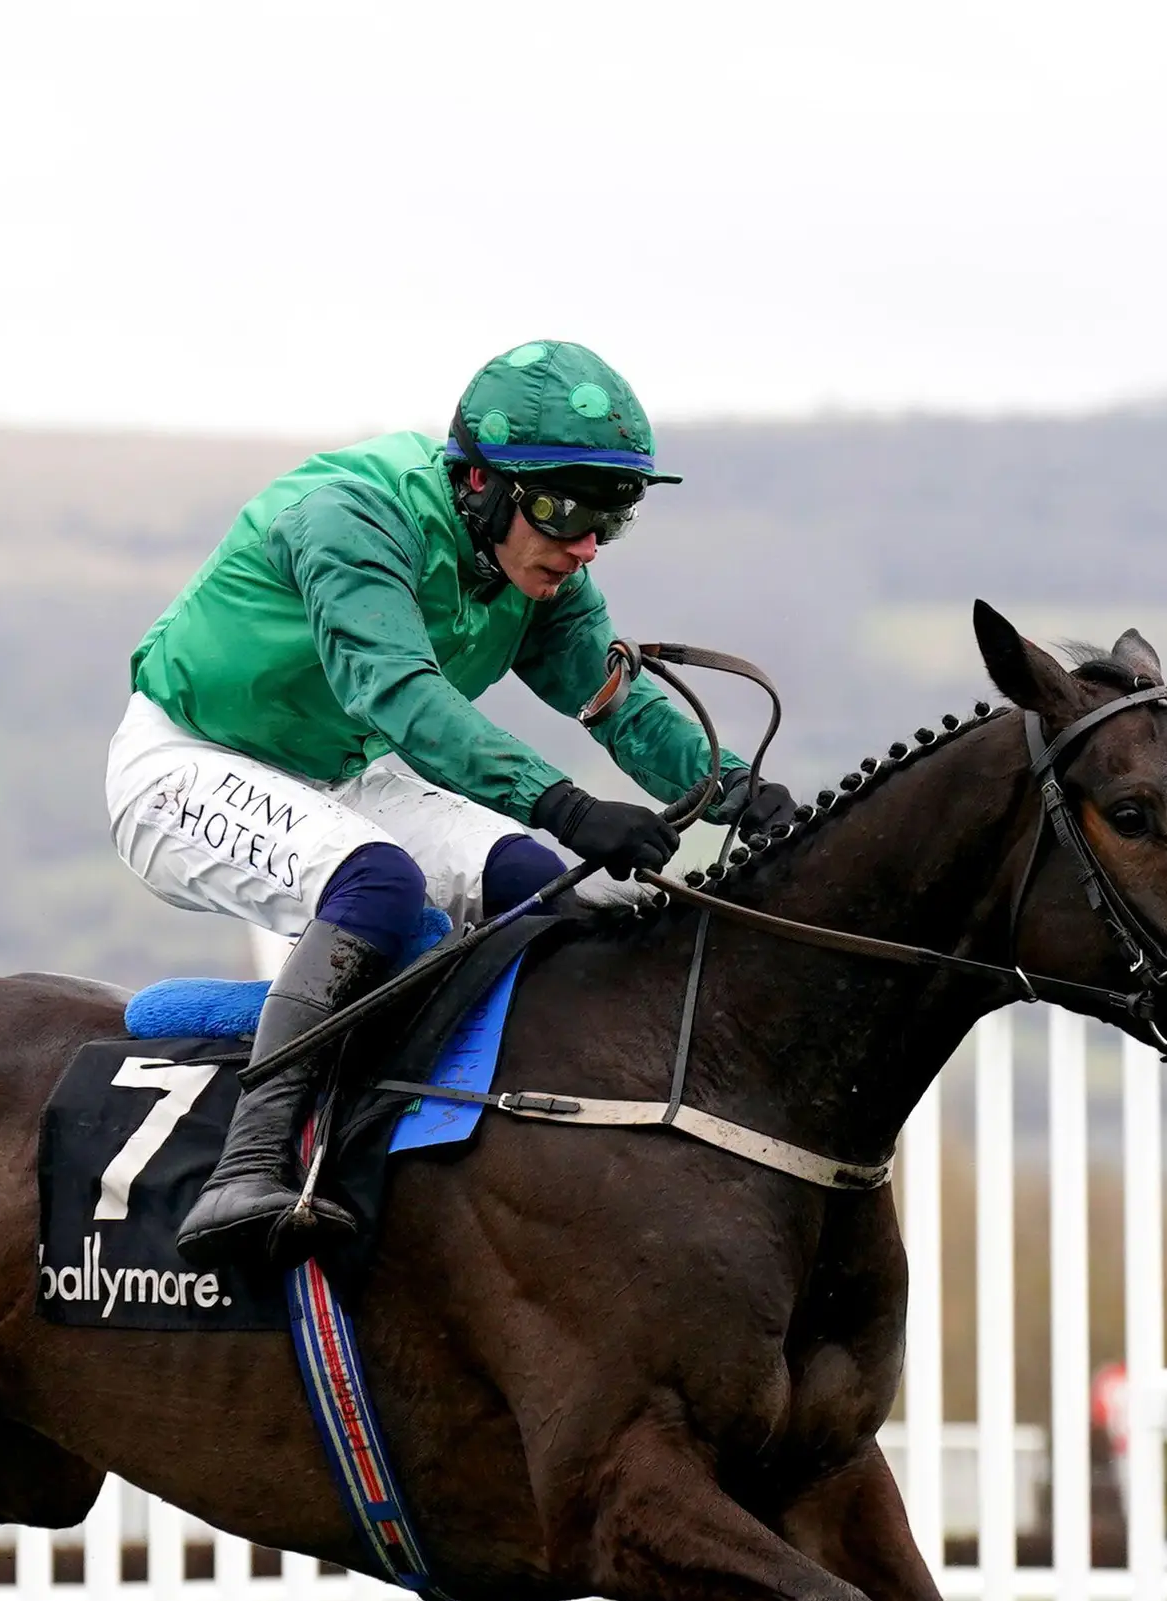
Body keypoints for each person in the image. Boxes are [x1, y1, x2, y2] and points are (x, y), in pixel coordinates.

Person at [111, 340, 797, 1268]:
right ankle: (247, 1166)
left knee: (532, 879)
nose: (584, 543)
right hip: (183, 761)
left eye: (611, 516)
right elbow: (400, 697)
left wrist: (738, 797)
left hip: (341, 770)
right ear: (478, 481)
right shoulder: (351, 519)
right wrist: (562, 802)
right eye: (562, 509)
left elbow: (616, 704)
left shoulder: (543, 572)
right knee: (381, 887)